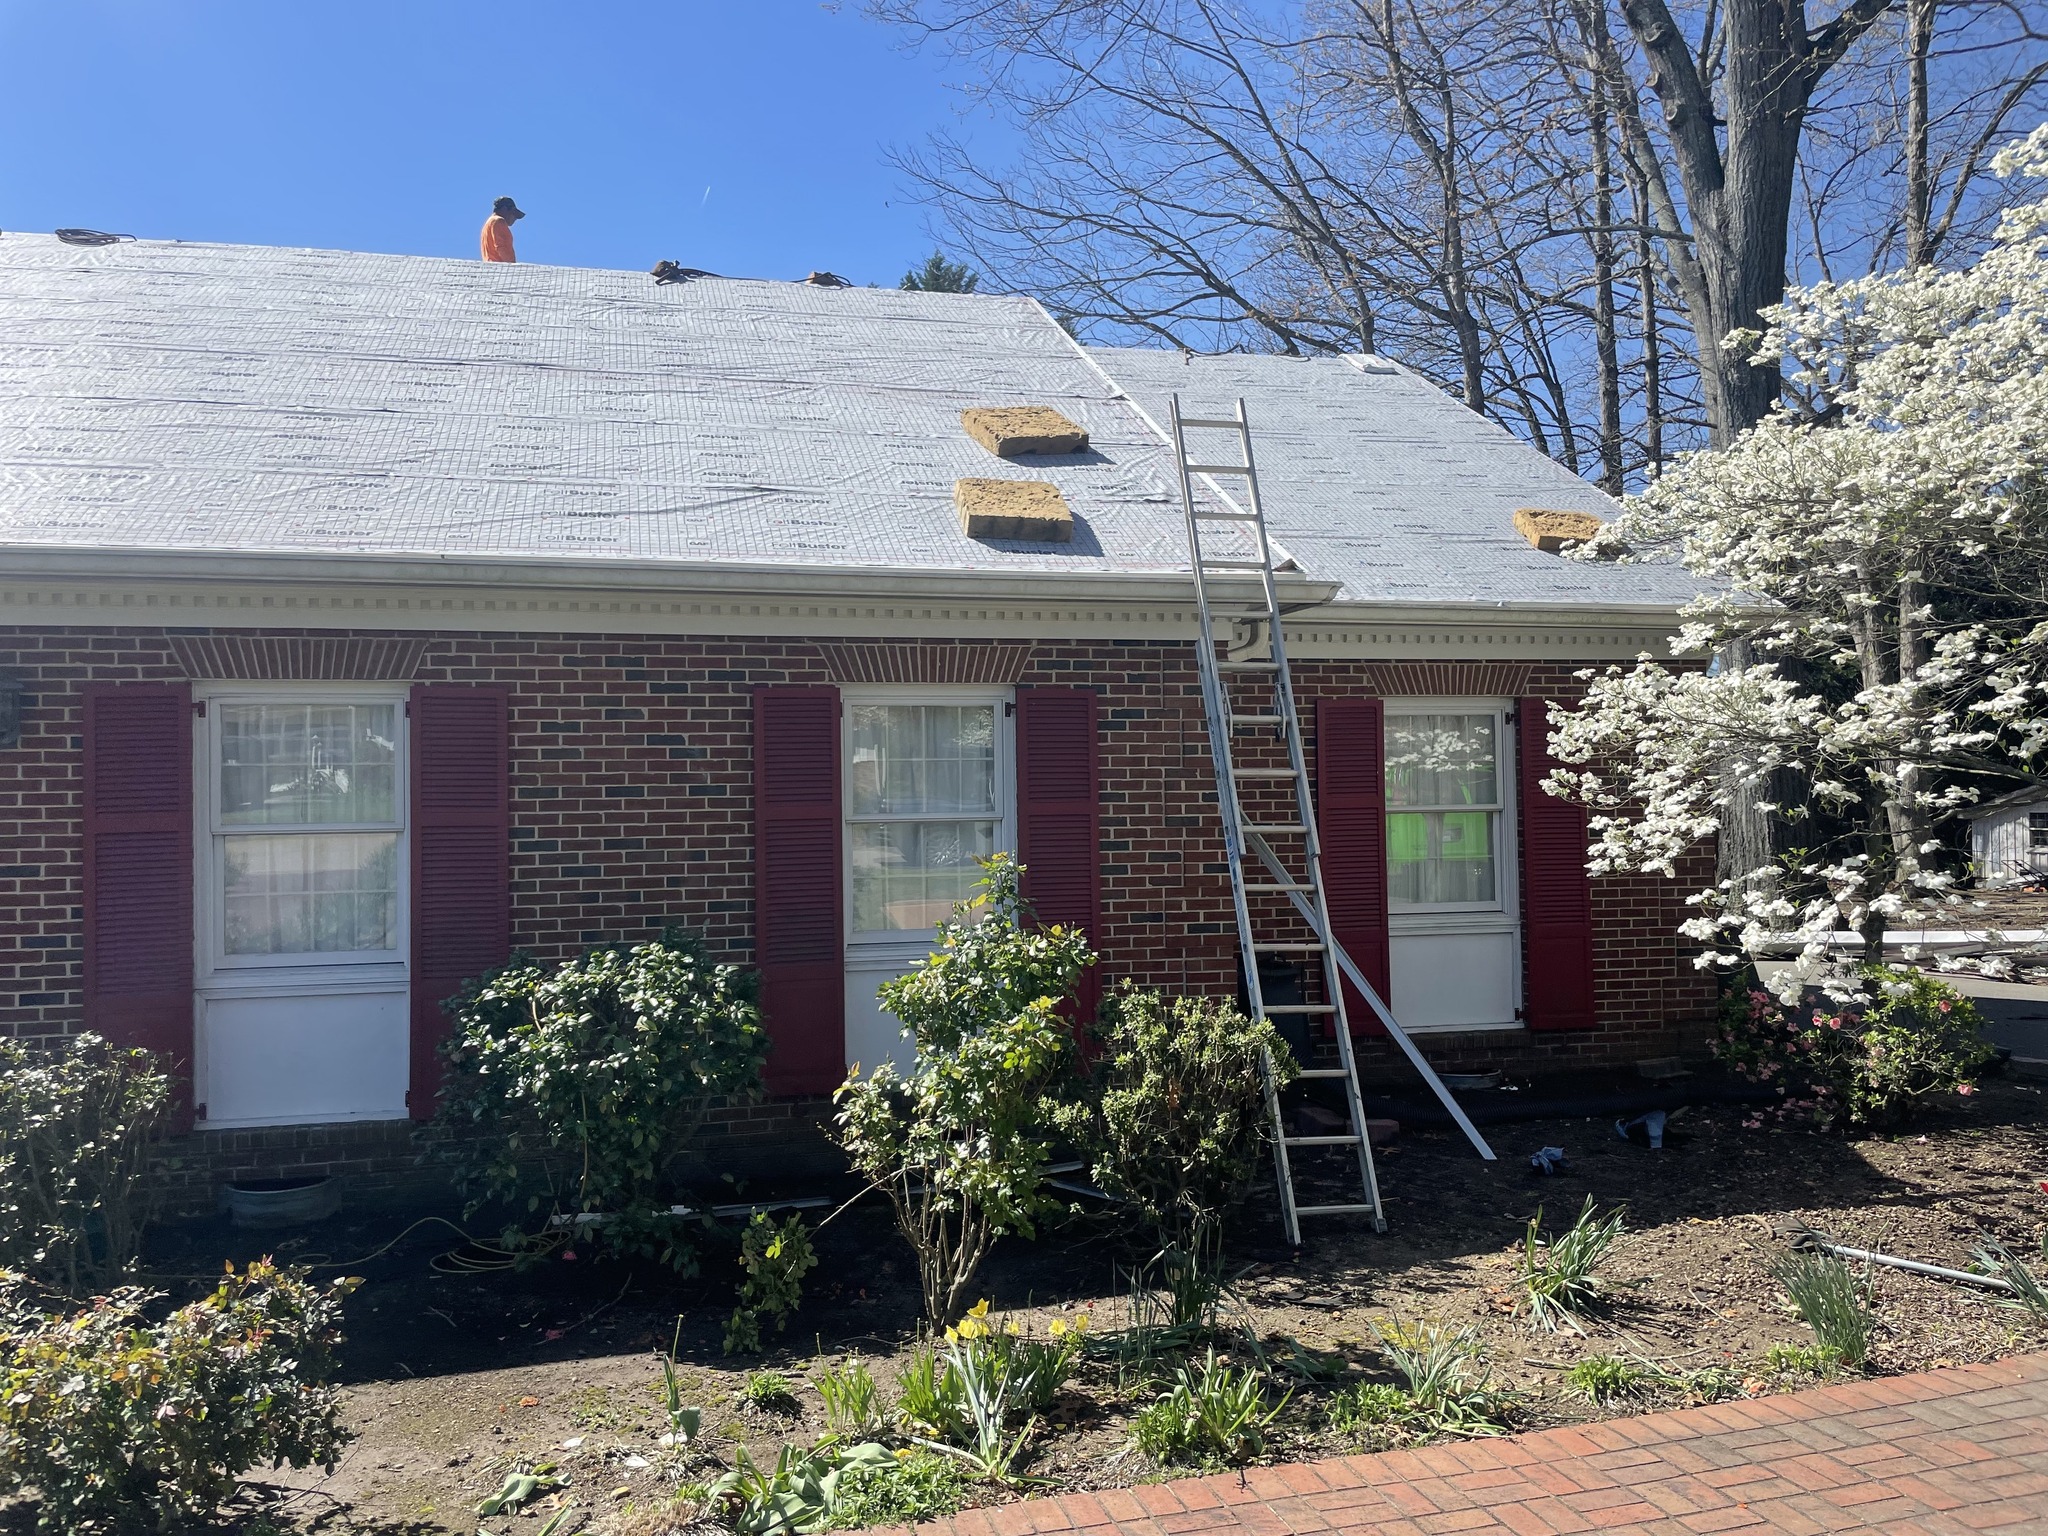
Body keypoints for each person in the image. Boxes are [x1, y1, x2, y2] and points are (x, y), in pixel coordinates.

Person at [481, 197, 523, 263]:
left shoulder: (489, 223)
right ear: (504, 209)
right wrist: (512, 265)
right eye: (513, 213)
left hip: (492, 266)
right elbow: (500, 247)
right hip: (500, 267)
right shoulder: (498, 221)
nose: (515, 218)